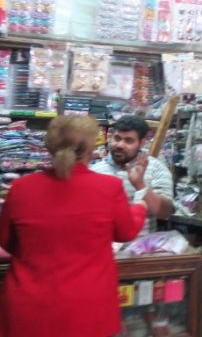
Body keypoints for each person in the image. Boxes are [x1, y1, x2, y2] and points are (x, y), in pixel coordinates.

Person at [0, 115, 147, 336]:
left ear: (49, 147)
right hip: (86, 307)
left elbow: (7, 243)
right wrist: (140, 205)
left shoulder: (21, 188)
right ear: (90, 148)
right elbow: (126, 232)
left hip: (29, 306)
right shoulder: (108, 187)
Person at [91, 114, 174, 235]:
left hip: (140, 244)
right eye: (117, 138)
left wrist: (141, 186)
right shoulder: (95, 170)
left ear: (142, 142)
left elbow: (164, 213)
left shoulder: (156, 168)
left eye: (128, 140)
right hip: (103, 243)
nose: (120, 145)